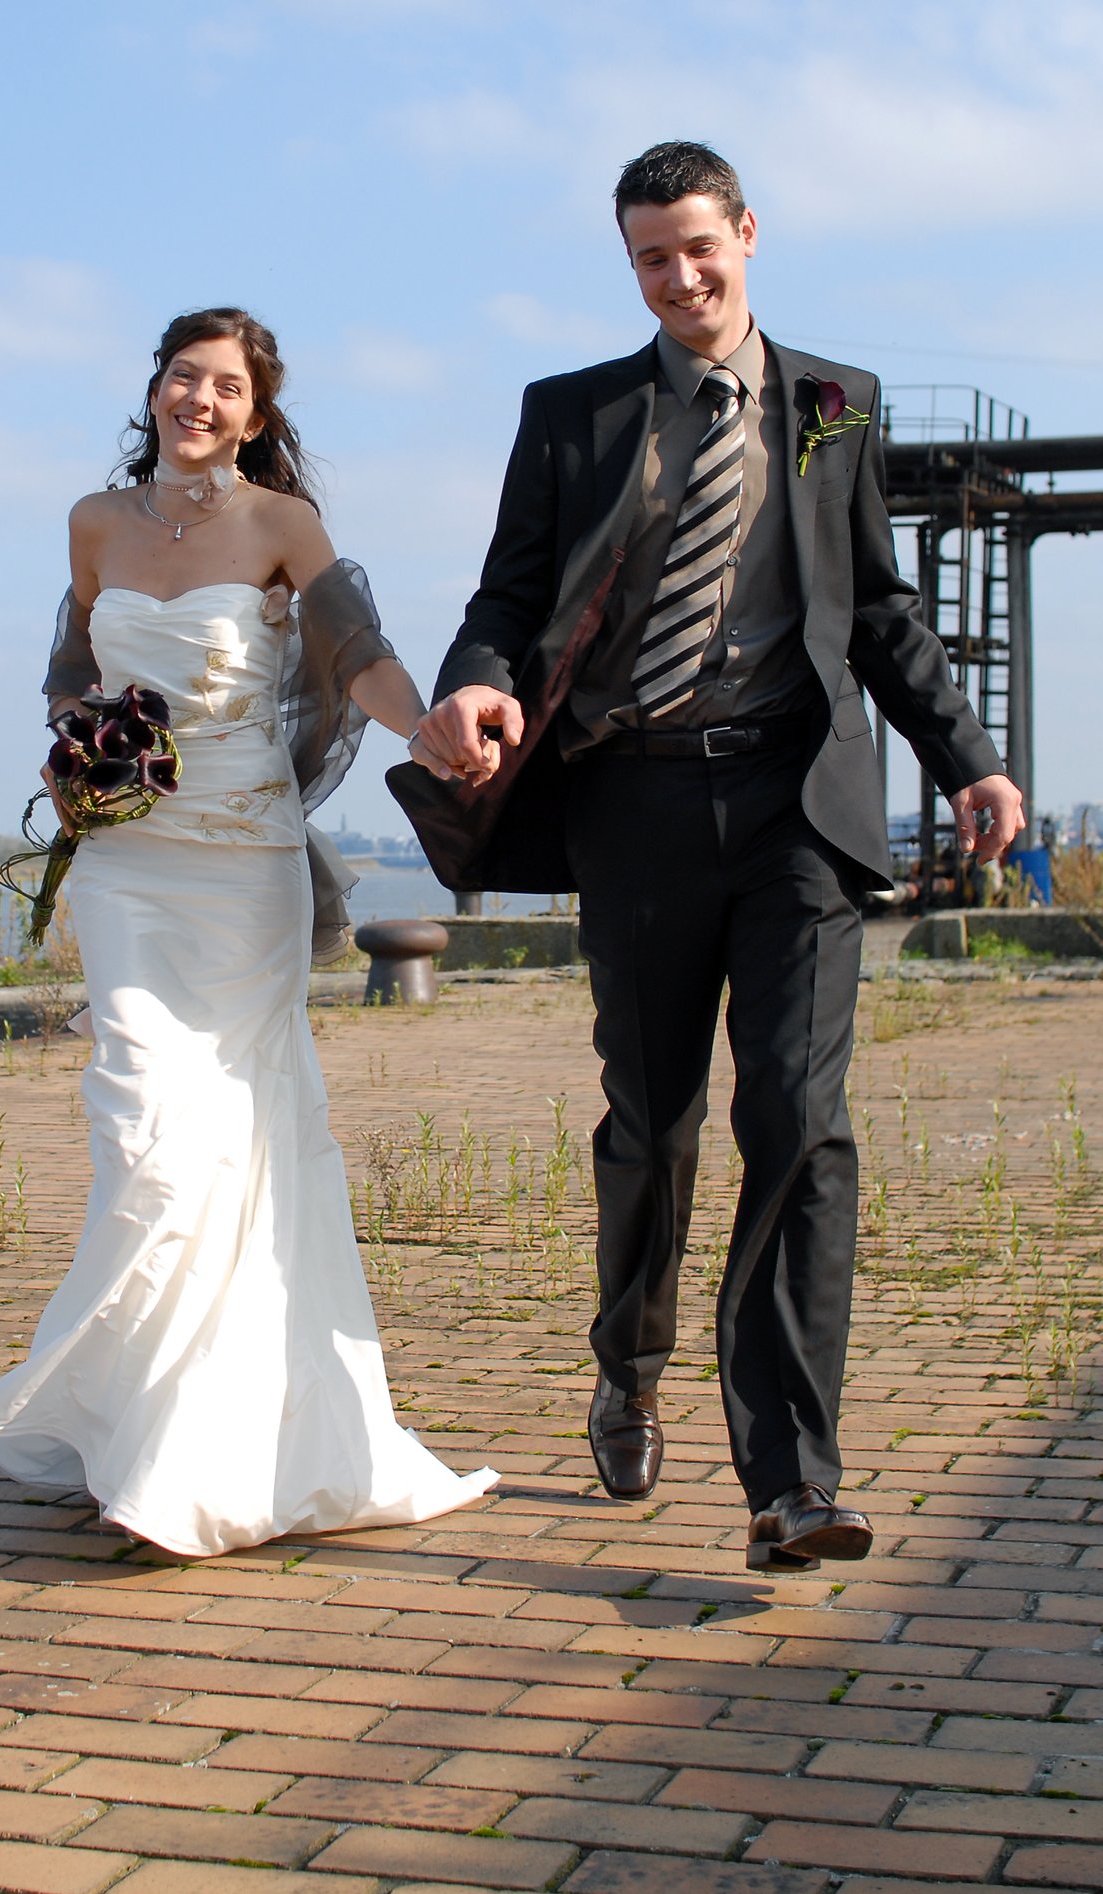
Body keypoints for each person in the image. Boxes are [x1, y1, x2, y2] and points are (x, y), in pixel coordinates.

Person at [394, 143, 1024, 1572]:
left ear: (748, 232)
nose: (680, 280)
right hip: (637, 806)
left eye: (698, 248)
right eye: (649, 260)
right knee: (656, 1118)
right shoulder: (575, 412)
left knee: (800, 1121)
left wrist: (972, 760)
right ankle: (628, 1357)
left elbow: (878, 612)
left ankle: (793, 1480)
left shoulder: (833, 408)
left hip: (800, 808)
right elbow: (508, 590)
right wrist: (475, 678)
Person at [0, 307, 496, 1556]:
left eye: (227, 388)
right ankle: (147, 1426)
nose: (199, 400)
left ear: (256, 413)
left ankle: (190, 1456)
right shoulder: (95, 521)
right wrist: (78, 749)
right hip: (128, 865)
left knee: (230, 1135)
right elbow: (70, 663)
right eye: (183, 377)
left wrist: (424, 730)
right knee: (143, 1124)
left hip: (242, 868)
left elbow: (356, 655)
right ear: (153, 388)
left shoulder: (284, 526)